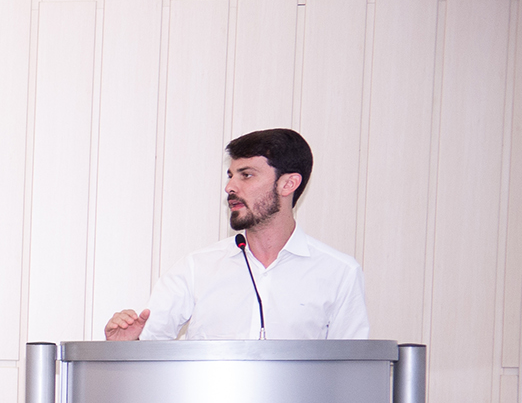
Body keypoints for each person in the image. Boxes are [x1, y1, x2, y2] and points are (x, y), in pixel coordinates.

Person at [104, 128, 369, 342]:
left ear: (288, 184)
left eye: (247, 175)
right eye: (231, 176)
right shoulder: (196, 268)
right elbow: (149, 349)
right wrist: (126, 345)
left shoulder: (339, 273)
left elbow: (352, 371)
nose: (230, 187)